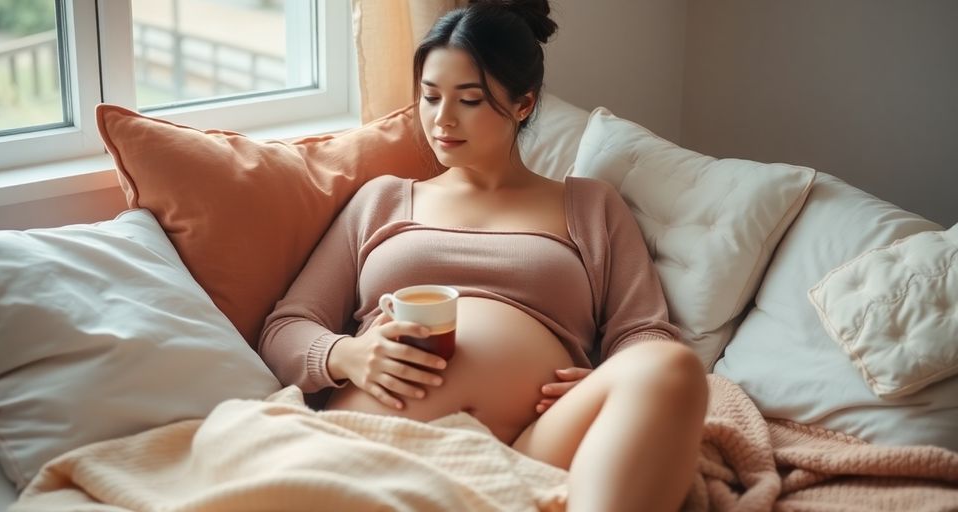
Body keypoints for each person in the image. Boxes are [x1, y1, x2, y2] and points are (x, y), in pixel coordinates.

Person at [258, 1, 707, 510]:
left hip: (531, 446)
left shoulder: (589, 206)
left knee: (671, 367)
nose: (441, 120)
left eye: (469, 100)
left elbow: (643, 333)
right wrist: (348, 355)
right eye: (430, 97)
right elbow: (287, 327)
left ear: (523, 104)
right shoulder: (381, 200)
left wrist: (606, 379)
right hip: (378, 446)